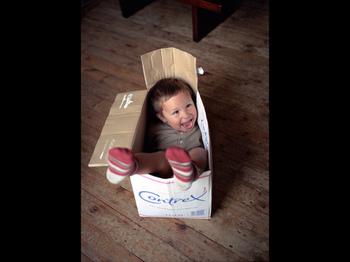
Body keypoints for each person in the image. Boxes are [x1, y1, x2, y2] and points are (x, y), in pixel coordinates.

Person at [106, 78, 208, 190]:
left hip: (190, 163)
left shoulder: (200, 124)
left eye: (188, 105)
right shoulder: (156, 130)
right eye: (176, 112)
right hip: (164, 167)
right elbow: (146, 148)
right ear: (163, 117)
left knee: (200, 152)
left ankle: (189, 173)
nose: (186, 114)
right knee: (160, 158)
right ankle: (129, 165)